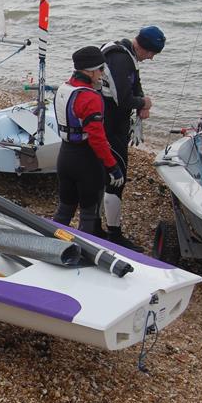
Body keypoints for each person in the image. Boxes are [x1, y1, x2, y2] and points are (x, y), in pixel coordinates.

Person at [99, 25, 166, 250]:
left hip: (112, 126)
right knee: (116, 178)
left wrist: (142, 102)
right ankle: (114, 234)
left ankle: (96, 225)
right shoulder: (121, 59)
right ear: (144, 48)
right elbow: (123, 99)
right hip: (110, 127)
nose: (152, 58)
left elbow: (134, 84)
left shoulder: (126, 53)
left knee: (106, 176)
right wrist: (142, 103)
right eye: (152, 54)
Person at [52, 46, 123, 237]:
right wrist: (112, 167)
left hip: (64, 157)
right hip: (86, 162)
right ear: (90, 70)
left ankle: (49, 245)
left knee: (64, 210)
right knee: (88, 215)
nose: (102, 74)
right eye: (100, 69)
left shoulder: (63, 89)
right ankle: (83, 255)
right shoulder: (90, 97)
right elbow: (97, 139)